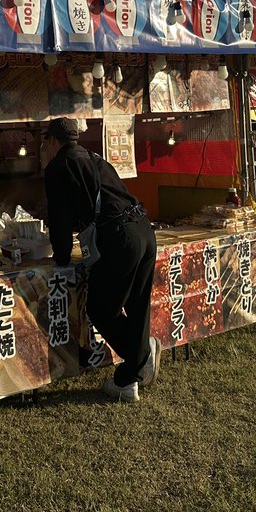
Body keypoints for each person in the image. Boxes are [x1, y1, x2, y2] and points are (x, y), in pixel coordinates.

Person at [41, 118, 159, 403]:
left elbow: (59, 220)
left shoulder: (58, 166)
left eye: (45, 143)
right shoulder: (95, 158)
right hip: (144, 229)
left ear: (53, 141)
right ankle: (132, 373)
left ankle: (140, 356)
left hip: (120, 238)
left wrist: (61, 257)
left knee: (101, 307)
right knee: (137, 306)